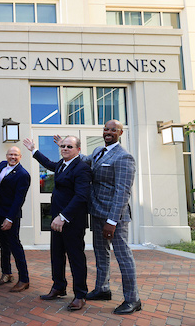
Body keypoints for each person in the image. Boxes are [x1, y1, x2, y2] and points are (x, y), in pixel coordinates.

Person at [70, 120, 141, 314]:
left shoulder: (124, 157)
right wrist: (66, 146)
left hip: (114, 217)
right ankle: (102, 288)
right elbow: (82, 159)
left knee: (123, 257)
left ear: (120, 132)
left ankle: (133, 299)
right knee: (101, 253)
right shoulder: (99, 151)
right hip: (97, 212)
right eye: (106, 129)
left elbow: (122, 192)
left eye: (112, 130)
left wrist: (112, 221)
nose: (108, 132)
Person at [23, 136, 91, 311]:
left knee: (76, 259)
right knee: (57, 255)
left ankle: (80, 295)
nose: (65, 149)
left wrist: (64, 216)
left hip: (72, 221)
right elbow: (48, 163)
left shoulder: (82, 168)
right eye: (63, 146)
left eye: (69, 146)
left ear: (78, 149)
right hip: (57, 220)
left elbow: (81, 196)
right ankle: (58, 287)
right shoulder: (62, 164)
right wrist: (33, 150)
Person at [0, 146, 31, 293]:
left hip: (10, 215)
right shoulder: (2, 165)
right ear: (6, 155)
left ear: (20, 157)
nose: (12, 157)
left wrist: (9, 219)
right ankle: (7, 273)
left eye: (16, 155)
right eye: (10, 154)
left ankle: (24, 279)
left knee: (15, 245)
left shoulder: (23, 174)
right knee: (3, 244)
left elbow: (19, 199)